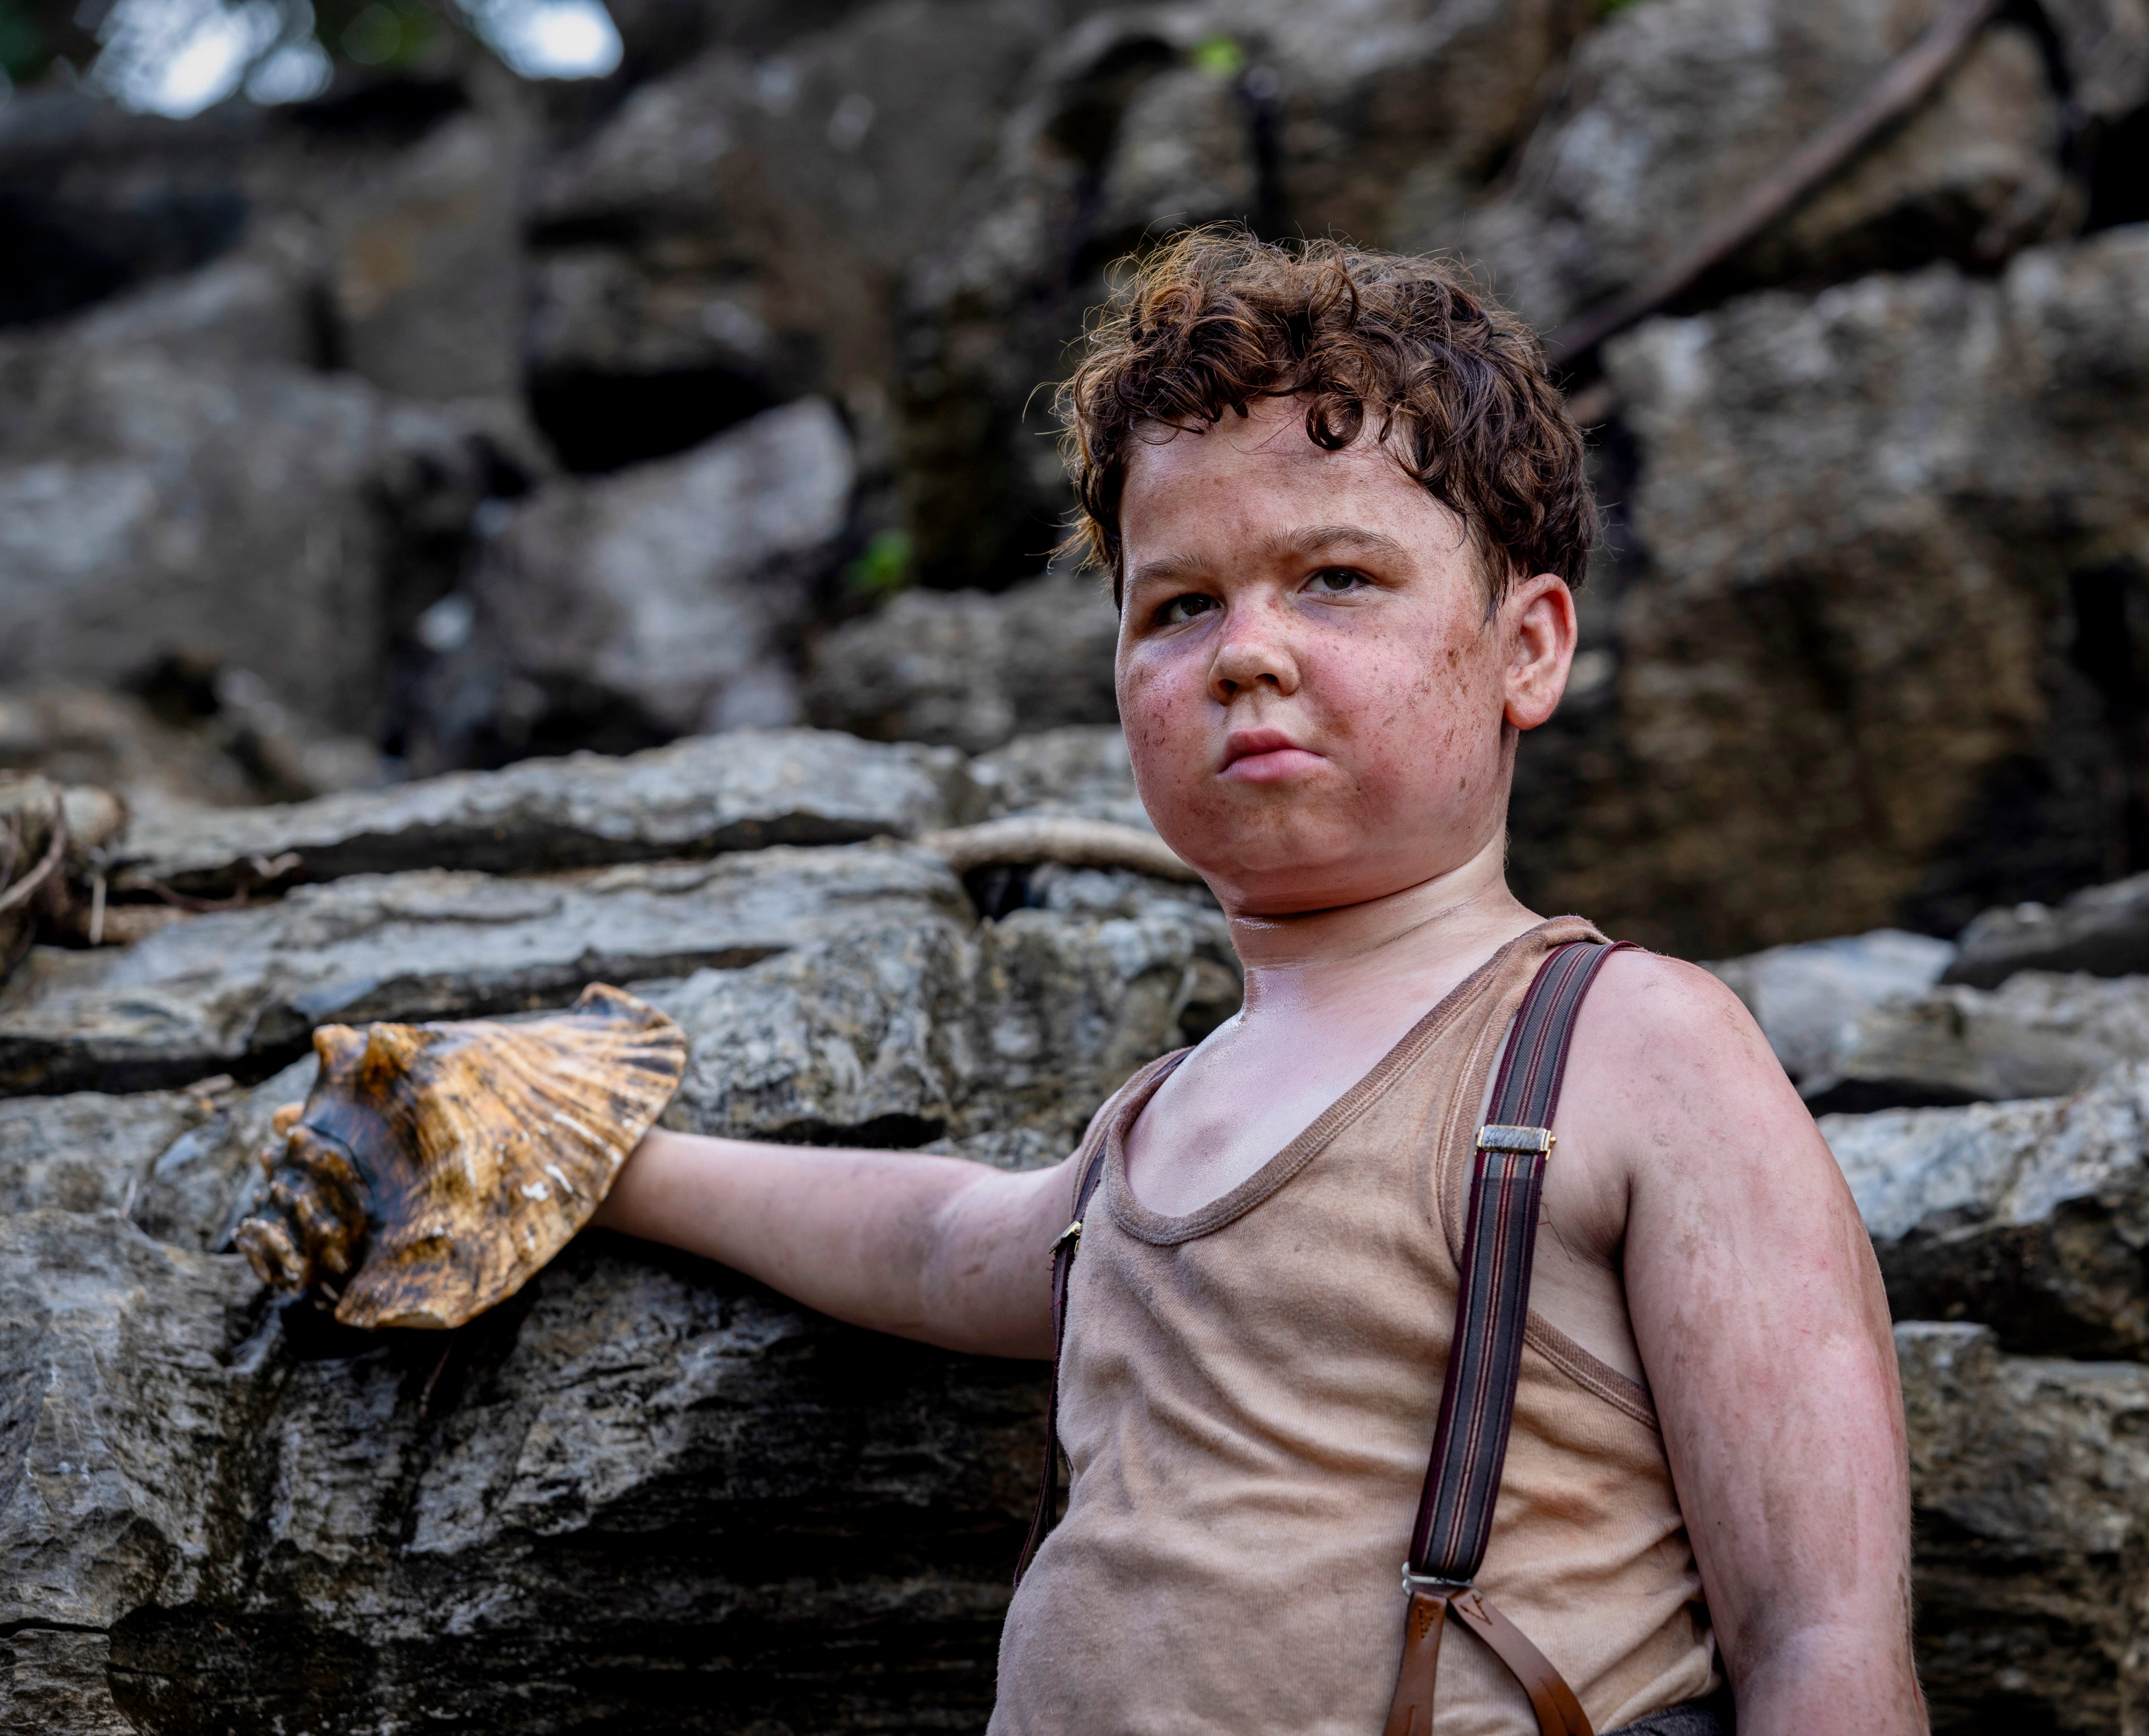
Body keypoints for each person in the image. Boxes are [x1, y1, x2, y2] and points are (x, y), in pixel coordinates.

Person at [595, 231, 1924, 1734]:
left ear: (1528, 649)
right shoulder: (1156, 1121)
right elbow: (934, 1241)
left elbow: (1822, 1639)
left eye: (1337, 578)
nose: (1248, 654)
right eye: (1179, 607)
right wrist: (611, 1165)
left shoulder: (1632, 1049)